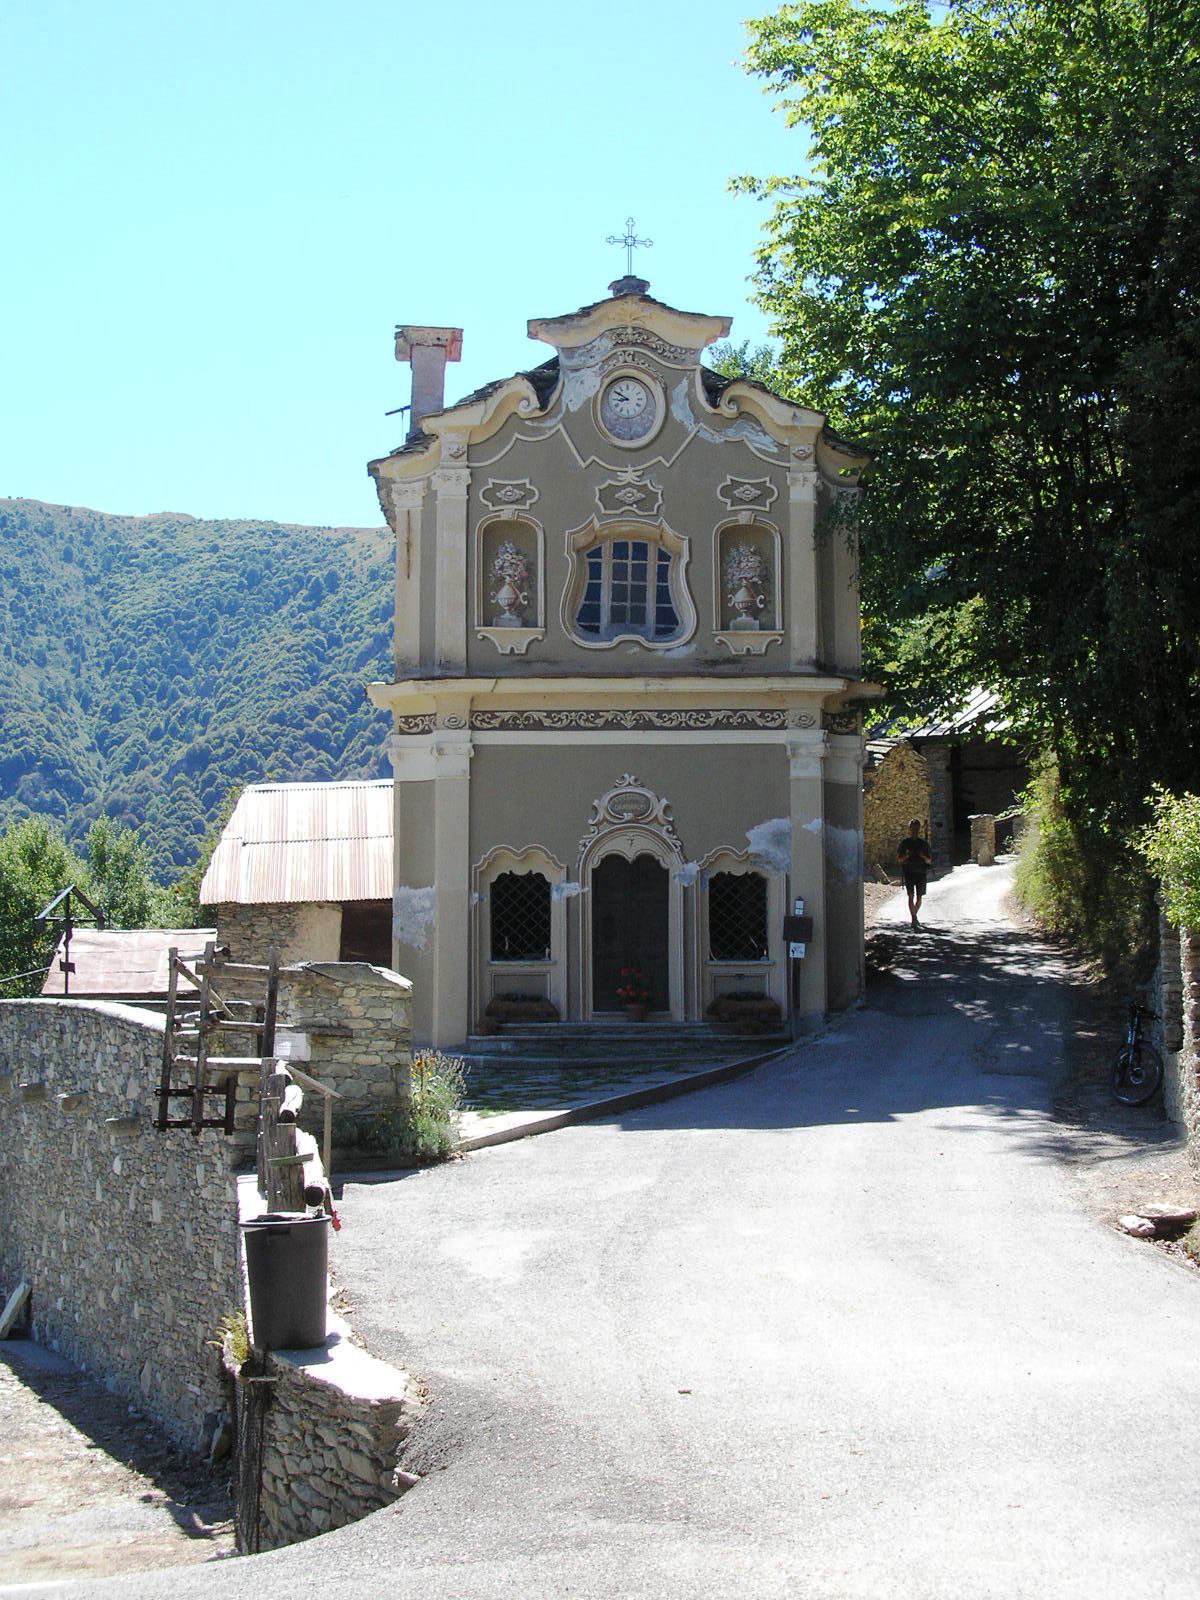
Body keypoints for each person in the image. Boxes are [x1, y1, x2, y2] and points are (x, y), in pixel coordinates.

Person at [897, 818, 932, 927]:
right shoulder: (905, 843)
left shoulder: (923, 843)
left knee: (919, 897)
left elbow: (929, 860)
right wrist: (907, 856)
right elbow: (899, 859)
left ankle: (914, 916)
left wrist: (922, 856)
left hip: (921, 872)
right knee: (911, 896)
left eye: (916, 828)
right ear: (909, 829)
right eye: (913, 828)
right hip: (909, 872)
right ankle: (914, 918)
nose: (914, 830)